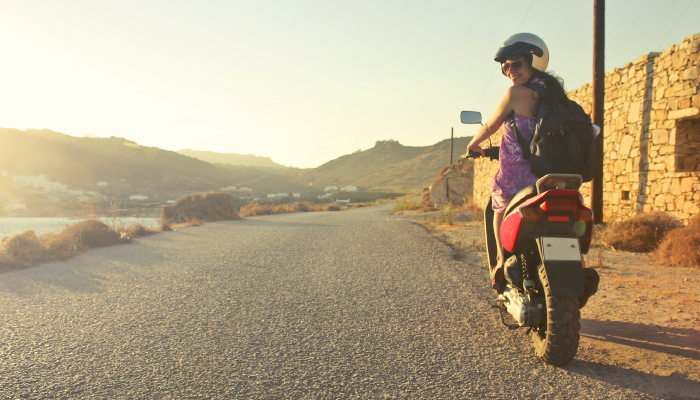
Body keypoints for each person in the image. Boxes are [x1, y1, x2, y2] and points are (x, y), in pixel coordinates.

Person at [466, 33, 571, 287]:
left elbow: (491, 124)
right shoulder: (556, 97)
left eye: (516, 64)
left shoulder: (516, 94)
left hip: (519, 177)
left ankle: (501, 261)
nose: (510, 71)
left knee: (497, 205)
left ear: (533, 62)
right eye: (506, 67)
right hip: (551, 176)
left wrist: (473, 144)